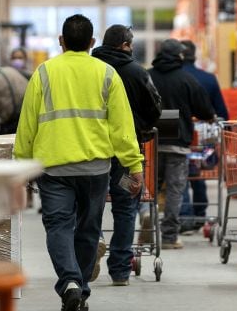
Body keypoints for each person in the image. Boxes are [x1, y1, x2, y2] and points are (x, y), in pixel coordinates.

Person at [14, 14, 144, 311]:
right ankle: (80, 289)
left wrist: (20, 166)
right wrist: (134, 166)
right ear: (92, 43)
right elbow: (122, 128)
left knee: (58, 226)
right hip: (95, 168)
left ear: (61, 41)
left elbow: (27, 124)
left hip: (54, 167)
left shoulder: (44, 73)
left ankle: (70, 282)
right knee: (88, 229)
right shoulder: (107, 74)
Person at [93, 25, 162, 285]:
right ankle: (120, 270)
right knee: (125, 208)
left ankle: (94, 243)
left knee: (91, 204)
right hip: (125, 153)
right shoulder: (135, 71)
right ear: (124, 45)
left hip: (94, 150)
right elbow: (155, 107)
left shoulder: (92, 69)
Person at [148, 38, 216, 249]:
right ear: (179, 56)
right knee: (175, 190)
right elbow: (204, 110)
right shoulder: (186, 79)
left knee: (150, 188)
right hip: (178, 142)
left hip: (152, 140)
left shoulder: (147, 77)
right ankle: (169, 236)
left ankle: (146, 223)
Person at [178, 39, 228, 230]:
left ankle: (185, 215)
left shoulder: (174, 77)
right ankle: (200, 213)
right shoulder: (208, 79)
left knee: (180, 174)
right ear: (195, 55)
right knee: (198, 173)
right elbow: (222, 112)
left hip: (180, 136)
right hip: (204, 139)